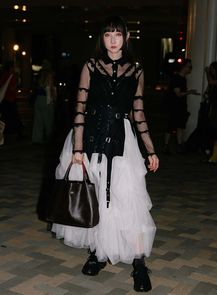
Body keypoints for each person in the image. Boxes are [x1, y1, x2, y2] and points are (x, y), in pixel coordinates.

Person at [51, 16, 159, 292]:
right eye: (108, 34)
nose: (113, 40)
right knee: (97, 197)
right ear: (102, 38)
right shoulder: (91, 66)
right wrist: (77, 147)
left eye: (118, 34)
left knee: (130, 198)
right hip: (93, 139)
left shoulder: (135, 69)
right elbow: (80, 108)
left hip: (123, 140)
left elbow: (138, 112)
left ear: (125, 38)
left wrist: (150, 149)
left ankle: (138, 262)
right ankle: (98, 254)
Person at [163, 59, 199, 154]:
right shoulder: (177, 78)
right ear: (184, 67)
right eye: (189, 67)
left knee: (179, 126)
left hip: (180, 106)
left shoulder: (182, 78)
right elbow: (178, 94)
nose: (191, 69)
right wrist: (190, 92)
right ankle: (166, 147)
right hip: (174, 106)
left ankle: (178, 146)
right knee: (171, 127)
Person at [203, 61, 217, 153]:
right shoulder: (214, 79)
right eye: (211, 69)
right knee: (209, 126)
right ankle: (208, 147)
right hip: (212, 105)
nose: (212, 71)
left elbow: (211, 82)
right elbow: (209, 88)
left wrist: (207, 72)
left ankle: (212, 149)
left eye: (213, 69)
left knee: (214, 126)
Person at [32, 60, 57, 144]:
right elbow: (49, 87)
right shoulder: (49, 75)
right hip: (46, 98)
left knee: (38, 121)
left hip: (38, 98)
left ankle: (37, 139)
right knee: (48, 120)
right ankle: (49, 138)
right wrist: (52, 100)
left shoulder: (40, 75)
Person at [0, 60, 23, 139]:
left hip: (6, 99)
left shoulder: (5, 75)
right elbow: (13, 88)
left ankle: (9, 132)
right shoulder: (11, 76)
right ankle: (18, 133)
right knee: (13, 117)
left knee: (7, 117)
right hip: (10, 99)